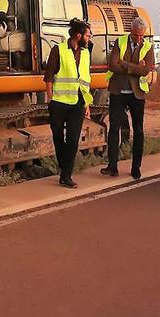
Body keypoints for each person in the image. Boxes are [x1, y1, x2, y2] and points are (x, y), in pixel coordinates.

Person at [103, 17, 155, 179]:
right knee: (114, 129)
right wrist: (135, 67)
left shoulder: (148, 47)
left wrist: (125, 64)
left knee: (138, 130)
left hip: (137, 94)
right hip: (118, 91)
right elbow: (113, 65)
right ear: (130, 32)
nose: (139, 39)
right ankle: (112, 166)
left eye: (142, 36)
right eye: (136, 35)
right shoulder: (120, 42)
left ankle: (136, 167)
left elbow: (145, 71)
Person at [44, 18, 93, 189]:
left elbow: (85, 81)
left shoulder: (86, 53)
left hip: (77, 103)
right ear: (78, 36)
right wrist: (50, 99)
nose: (90, 38)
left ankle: (66, 175)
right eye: (87, 35)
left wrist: (87, 105)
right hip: (58, 102)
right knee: (58, 137)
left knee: (72, 140)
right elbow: (49, 76)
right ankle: (64, 168)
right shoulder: (58, 50)